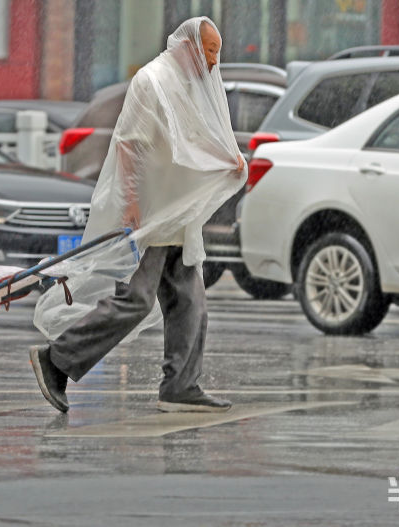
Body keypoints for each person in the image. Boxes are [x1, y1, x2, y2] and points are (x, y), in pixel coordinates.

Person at [29, 17, 245, 414]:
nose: (215, 62)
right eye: (210, 51)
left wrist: (225, 160)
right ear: (189, 46)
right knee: (137, 300)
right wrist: (130, 205)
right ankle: (56, 361)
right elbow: (129, 144)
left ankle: (181, 384)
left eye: (218, 52)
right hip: (151, 213)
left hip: (177, 216)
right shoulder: (153, 81)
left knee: (190, 301)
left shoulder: (193, 87)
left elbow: (192, 143)